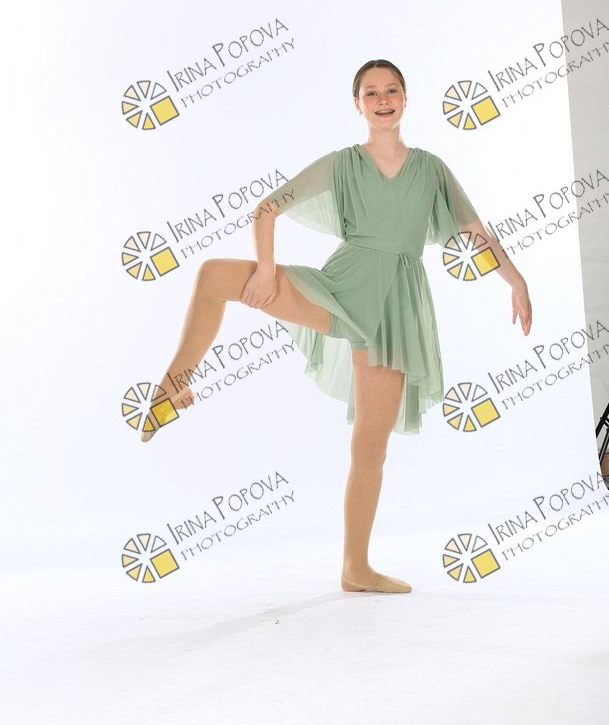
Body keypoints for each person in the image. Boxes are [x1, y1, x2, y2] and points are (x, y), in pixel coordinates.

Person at [141, 59, 532, 595]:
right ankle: (172, 387)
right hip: (342, 288)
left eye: (391, 90)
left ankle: (355, 568)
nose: (383, 100)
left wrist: (516, 281)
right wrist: (265, 269)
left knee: (370, 448)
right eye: (371, 93)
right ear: (357, 104)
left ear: (405, 98)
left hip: (396, 309)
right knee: (214, 275)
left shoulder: (432, 169)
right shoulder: (343, 163)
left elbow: (477, 233)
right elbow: (267, 209)